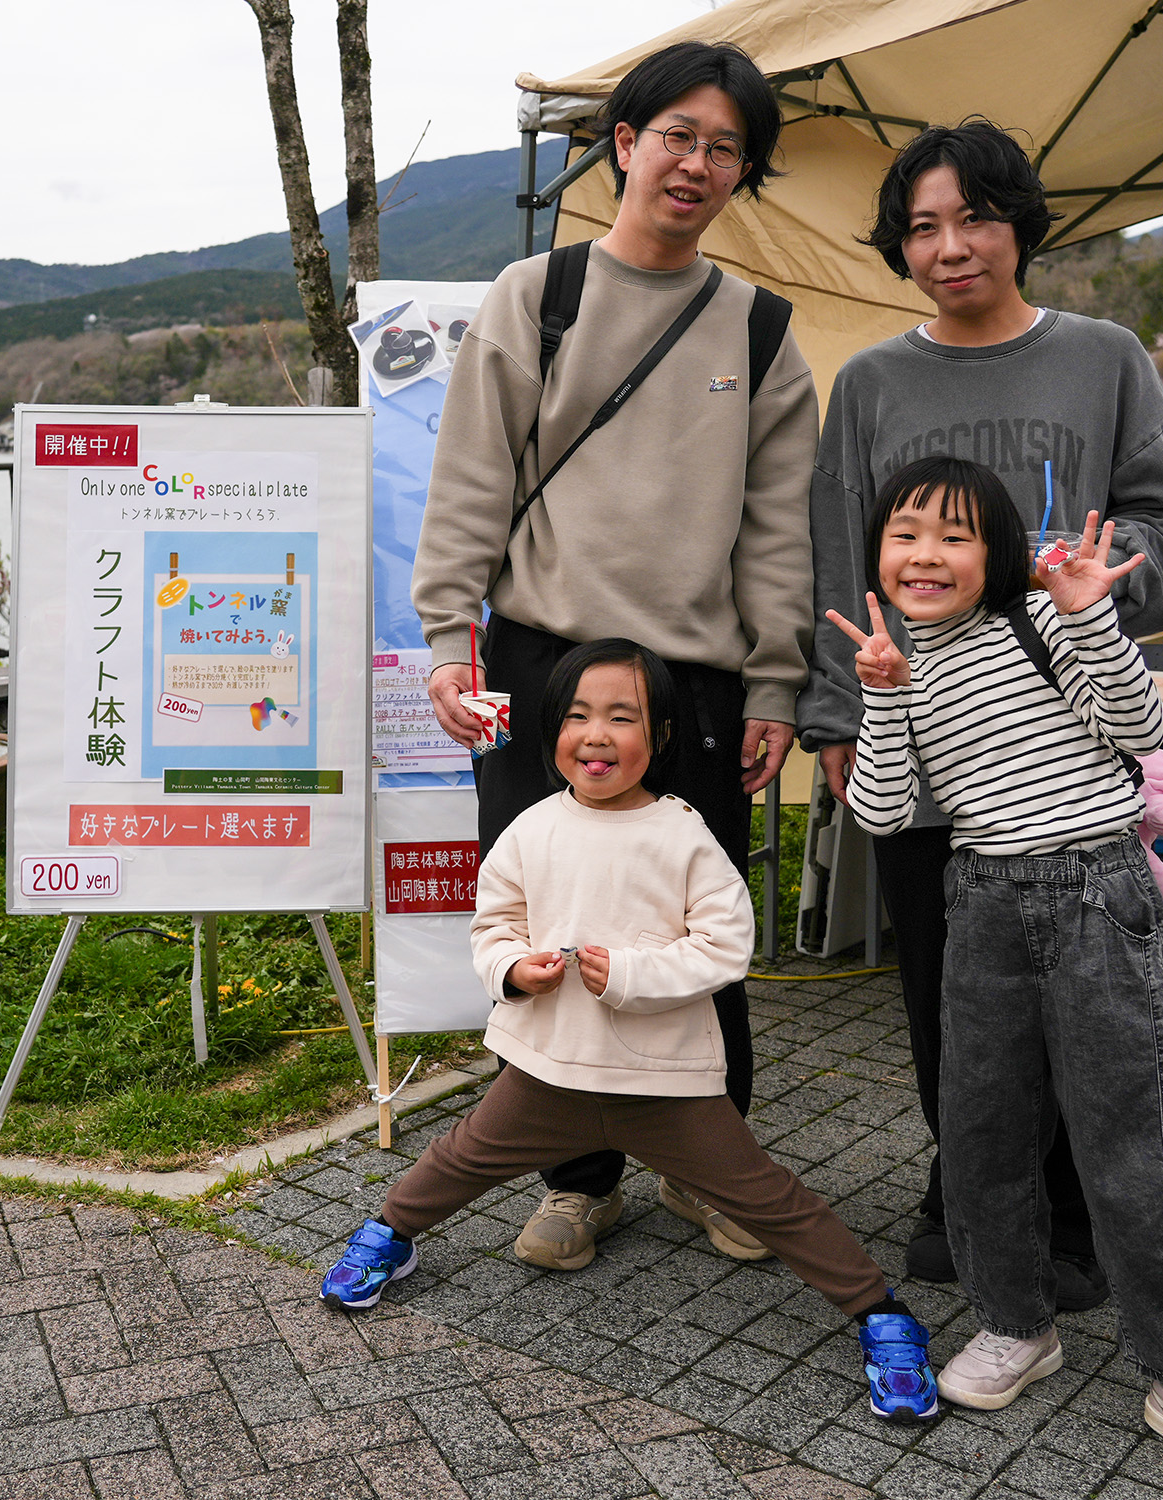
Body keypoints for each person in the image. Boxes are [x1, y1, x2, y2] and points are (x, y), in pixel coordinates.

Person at [412, 41, 817, 1272]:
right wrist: (445, 641)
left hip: (691, 683)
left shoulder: (758, 329)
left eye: (725, 146)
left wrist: (775, 684)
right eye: (676, 135)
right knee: (543, 923)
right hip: (539, 670)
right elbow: (470, 482)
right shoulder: (537, 296)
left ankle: (714, 1171)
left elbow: (776, 527)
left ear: (742, 172)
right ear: (623, 142)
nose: (696, 163)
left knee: (699, 933)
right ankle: (576, 1179)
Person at [798, 119, 1163, 1304]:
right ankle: (970, 1196)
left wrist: (1074, 572)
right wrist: (837, 716)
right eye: (921, 227)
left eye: (974, 217)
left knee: (1089, 1004)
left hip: (1069, 754)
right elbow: (842, 561)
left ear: (1020, 224)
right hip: (923, 750)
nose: (951, 246)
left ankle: (1077, 1213)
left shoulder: (1103, 357)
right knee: (948, 999)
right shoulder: (873, 383)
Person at [830, 457, 1163, 1495]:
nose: (925, 553)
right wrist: (877, 698)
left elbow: (1140, 732)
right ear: (877, 552)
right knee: (982, 1132)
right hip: (981, 905)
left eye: (953, 534)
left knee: (1142, 1137)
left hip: (1097, 894)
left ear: (995, 551)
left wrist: (1089, 617)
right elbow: (878, 815)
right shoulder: (901, 663)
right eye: (904, 532)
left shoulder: (1038, 625)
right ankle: (1014, 1324)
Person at [319, 640, 942, 1426]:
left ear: (663, 737)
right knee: (459, 1158)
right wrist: (513, 969)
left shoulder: (682, 833)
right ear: (551, 733)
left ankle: (878, 1311)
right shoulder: (528, 829)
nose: (598, 735)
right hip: (548, 1070)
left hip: (666, 1082)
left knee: (770, 1199)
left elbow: (725, 947)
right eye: (577, 716)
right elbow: (493, 925)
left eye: (623, 716)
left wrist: (630, 979)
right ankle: (390, 1233)